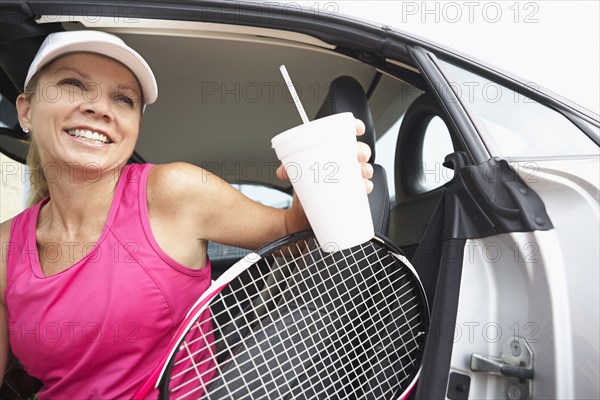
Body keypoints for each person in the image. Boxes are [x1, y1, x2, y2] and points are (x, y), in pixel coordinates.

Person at [0, 30, 373, 398]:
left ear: (135, 127)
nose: (99, 107)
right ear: (25, 110)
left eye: (123, 99)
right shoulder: (4, 247)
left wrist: (322, 187)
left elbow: (292, 233)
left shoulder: (174, 191)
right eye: (72, 85)